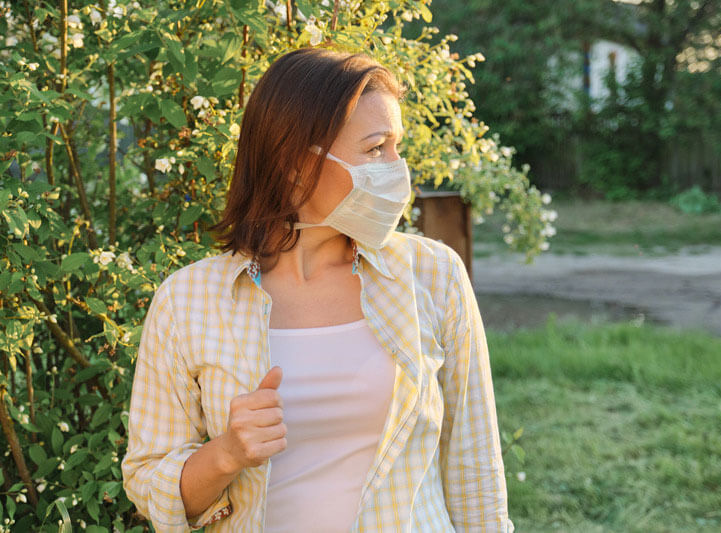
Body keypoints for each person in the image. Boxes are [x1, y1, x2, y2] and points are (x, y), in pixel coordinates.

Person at [121, 47, 514, 533]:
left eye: (397, 147)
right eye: (375, 149)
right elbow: (149, 484)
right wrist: (225, 454)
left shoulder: (433, 275)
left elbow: (475, 469)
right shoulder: (187, 301)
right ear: (293, 161)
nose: (398, 169)